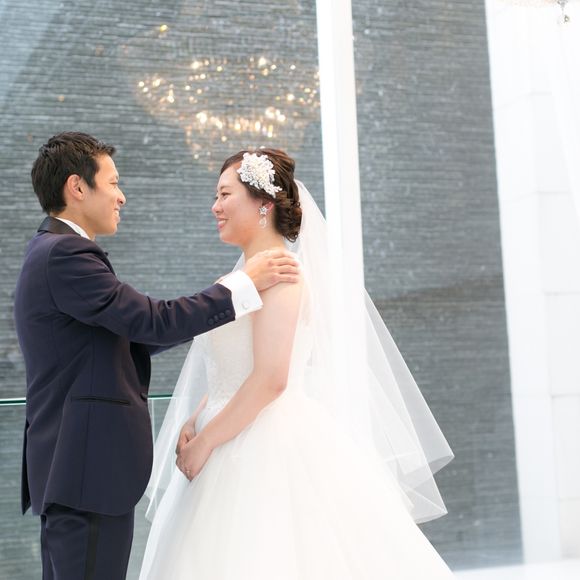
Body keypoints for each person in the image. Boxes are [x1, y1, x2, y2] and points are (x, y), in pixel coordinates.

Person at [140, 149, 456, 579]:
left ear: (263, 204)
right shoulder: (235, 282)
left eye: (224, 194)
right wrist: (195, 418)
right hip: (224, 431)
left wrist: (205, 441)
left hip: (264, 443)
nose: (214, 207)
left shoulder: (284, 277)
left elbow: (272, 378)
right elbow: (230, 367)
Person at [13, 133, 299, 580]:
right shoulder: (65, 254)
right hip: (86, 472)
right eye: (113, 183)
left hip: (82, 471)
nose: (121, 196)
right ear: (77, 187)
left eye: (224, 195)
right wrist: (241, 287)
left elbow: (132, 337)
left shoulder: (55, 251)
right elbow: (151, 322)